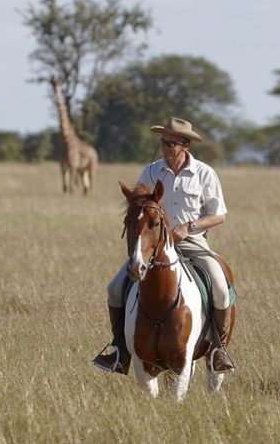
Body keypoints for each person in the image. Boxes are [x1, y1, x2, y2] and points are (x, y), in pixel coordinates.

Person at [93, 117, 234, 374]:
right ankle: (121, 350)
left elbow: (219, 215)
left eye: (172, 143)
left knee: (221, 288)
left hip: (192, 242)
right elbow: (137, 205)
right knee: (114, 289)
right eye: (163, 142)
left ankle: (219, 349)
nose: (166, 147)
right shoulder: (151, 171)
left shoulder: (204, 173)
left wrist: (189, 227)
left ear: (185, 145)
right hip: (153, 245)